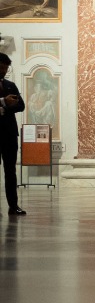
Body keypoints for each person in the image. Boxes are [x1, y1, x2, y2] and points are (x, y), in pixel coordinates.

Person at [0, 52, 25, 215]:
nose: (4, 71)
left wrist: (8, 106)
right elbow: (10, 103)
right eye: (1, 67)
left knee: (11, 171)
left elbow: (20, 105)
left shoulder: (10, 85)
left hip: (9, 134)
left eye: (6, 68)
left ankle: (13, 205)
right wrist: (4, 103)